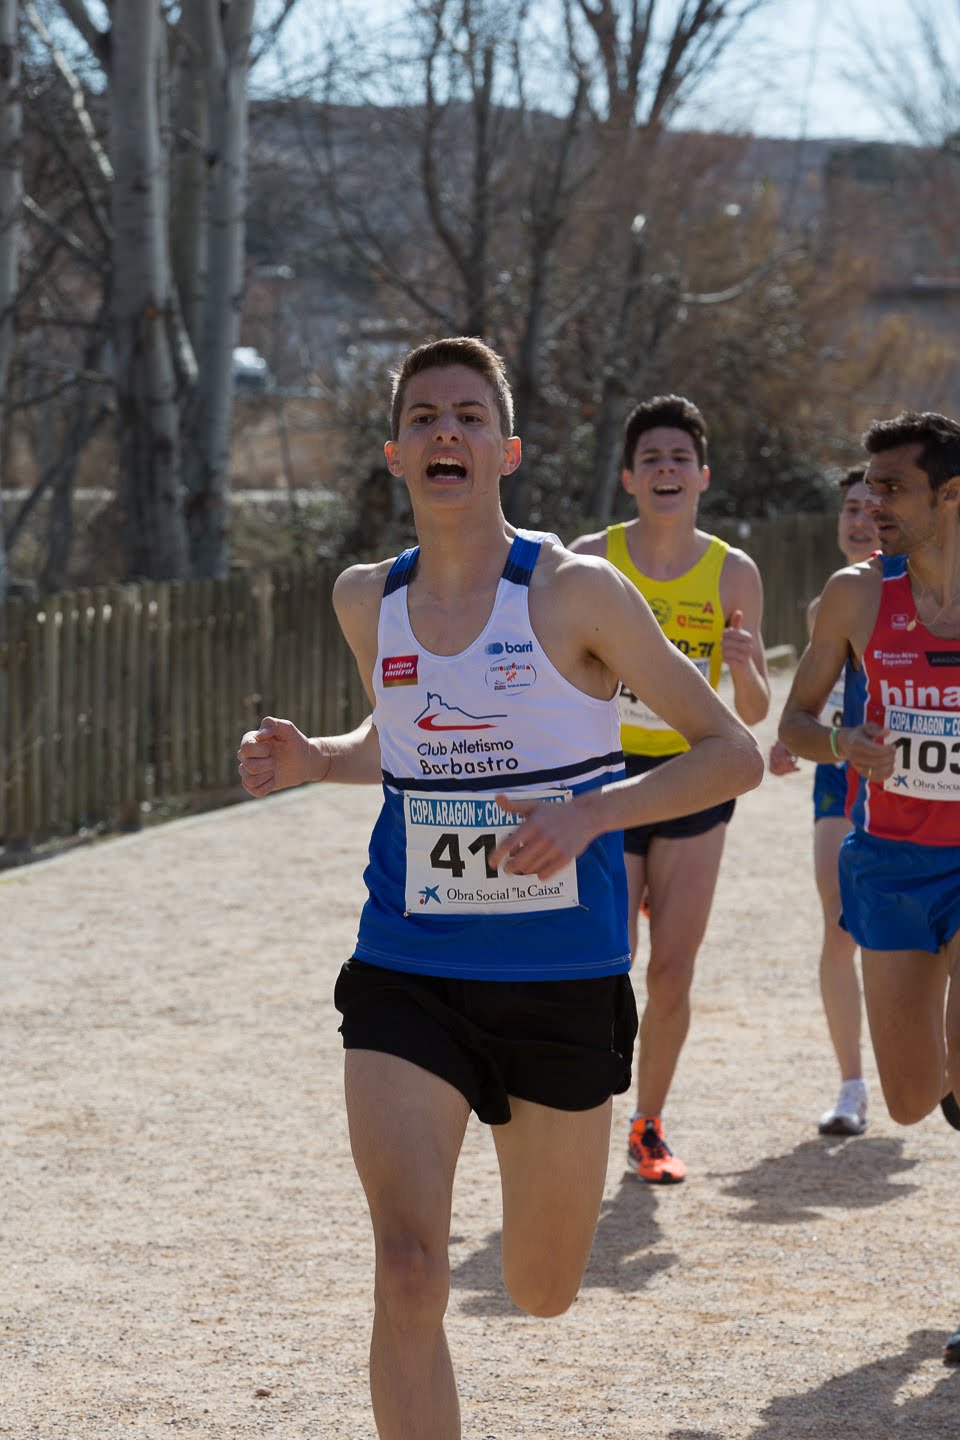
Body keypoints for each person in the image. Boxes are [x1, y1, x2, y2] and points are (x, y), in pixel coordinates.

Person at [237, 338, 763, 1439]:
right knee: (411, 1267)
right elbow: (414, 739)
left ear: (507, 449)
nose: (446, 432)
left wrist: (591, 814)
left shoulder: (577, 591)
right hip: (408, 966)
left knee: (541, 1287)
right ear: (394, 453)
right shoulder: (362, 599)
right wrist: (321, 759)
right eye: (424, 416)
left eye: (471, 416)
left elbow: (730, 754)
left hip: (560, 978)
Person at [778, 410, 960, 1364]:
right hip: (888, 862)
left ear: (951, 495)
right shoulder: (853, 598)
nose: (873, 503)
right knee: (908, 1097)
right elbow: (794, 724)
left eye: (893, 487)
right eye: (870, 487)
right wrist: (845, 744)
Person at [569, 395, 769, 1184]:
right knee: (603, 963)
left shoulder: (735, 571)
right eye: (650, 459)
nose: (665, 471)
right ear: (628, 477)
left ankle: (648, 1124)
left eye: (679, 459)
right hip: (607, 782)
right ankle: (586, 1118)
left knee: (673, 971)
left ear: (703, 476)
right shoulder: (590, 560)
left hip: (690, 782)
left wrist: (748, 665)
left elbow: (750, 715)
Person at [769, 467, 878, 1136]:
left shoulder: (938, 601)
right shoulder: (823, 610)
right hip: (842, 779)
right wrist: (797, 743)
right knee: (840, 923)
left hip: (918, 778)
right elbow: (815, 706)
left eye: (877, 506)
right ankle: (851, 1085)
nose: (862, 520)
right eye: (851, 510)